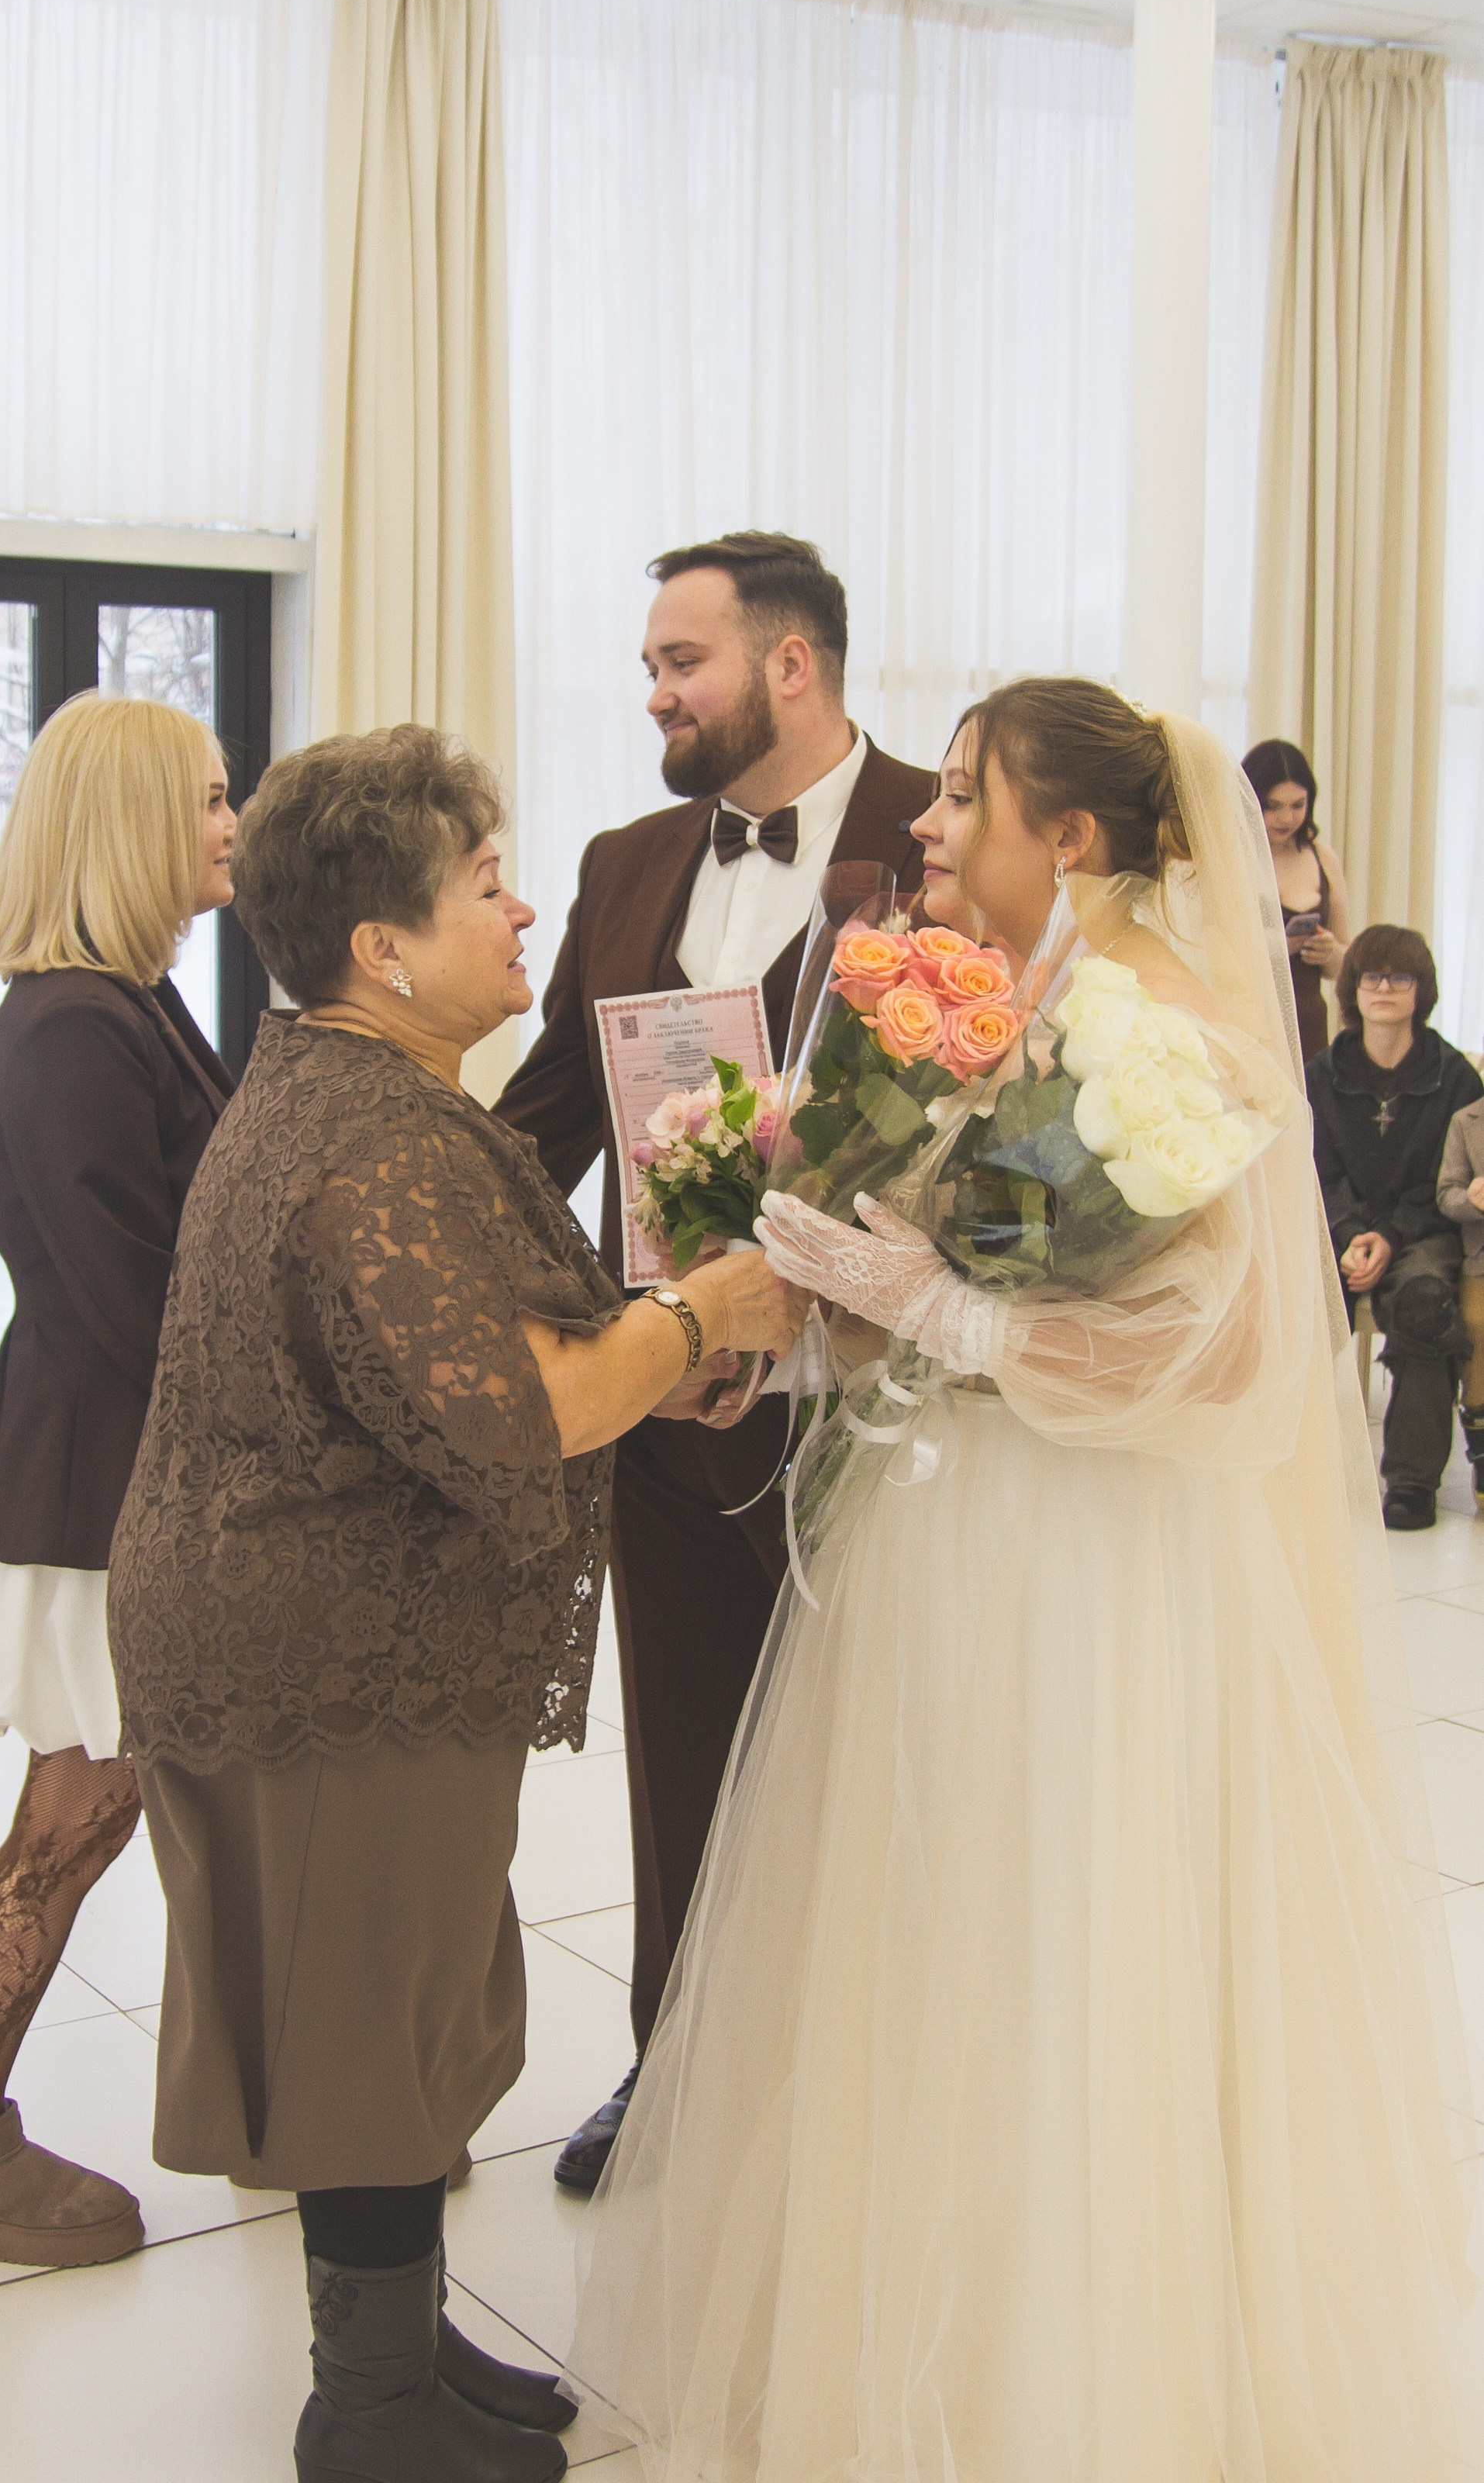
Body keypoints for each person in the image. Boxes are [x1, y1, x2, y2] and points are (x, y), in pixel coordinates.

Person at [566, 683, 1477, 2481]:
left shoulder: (1181, 1039)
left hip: (1093, 1567)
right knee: (934, 1927)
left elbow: (1216, 1364)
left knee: (1070, 1930)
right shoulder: (1002, 1013)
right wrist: (796, 1330)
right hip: (945, 1535)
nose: (929, 825)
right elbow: (947, 1276)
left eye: (965, 797)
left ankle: (1078, 2384)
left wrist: (926, 1303)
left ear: (1068, 837)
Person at [104, 726, 802, 2483]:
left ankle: (401, 2340)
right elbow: (520, 1401)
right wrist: (712, 1313)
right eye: (489, 884)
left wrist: (654, 1343)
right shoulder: (374, 1142)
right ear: (383, 949)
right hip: (319, 1647)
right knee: (365, 2020)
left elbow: (509, 1343)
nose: (527, 911)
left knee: (406, 1999)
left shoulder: (356, 1088)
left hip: (313, 1625)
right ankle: (369, 2406)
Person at [495, 531, 934, 2189]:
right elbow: (539, 1124)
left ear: (790, 664)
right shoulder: (620, 864)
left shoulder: (937, 843)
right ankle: (670, 2067)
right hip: (666, 1408)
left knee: (872, 1765)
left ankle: (859, 2091)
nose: (654, 692)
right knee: (679, 1755)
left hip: (875, 1421)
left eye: (679, 662)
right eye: (648, 666)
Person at [0, 692, 236, 2267]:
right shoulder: (70, 1030)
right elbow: (137, 1306)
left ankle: (279, 2103)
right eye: (213, 798)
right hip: (104, 1493)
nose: (232, 825)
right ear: (135, 824)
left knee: (145, 1819)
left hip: (123, 1477)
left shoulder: (129, 1002)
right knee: (68, 1827)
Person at [1307, 924, 1480, 1532]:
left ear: (1421, 990)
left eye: (1398, 976)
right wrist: (1353, 1231)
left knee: (1426, 1300)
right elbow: (1315, 1170)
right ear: (1350, 988)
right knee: (1288, 1296)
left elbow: (1449, 1181)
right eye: (1371, 975)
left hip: (1421, 1230)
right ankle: (1294, 1468)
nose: (1383, 987)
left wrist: (1389, 1236)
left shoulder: (1456, 1077)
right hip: (1333, 1228)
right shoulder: (1322, 1074)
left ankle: (1409, 1482)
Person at [1242, 736, 1350, 1062]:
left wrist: (1330, 952)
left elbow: (1345, 962)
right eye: (1272, 806)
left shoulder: (1322, 857)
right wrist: (1278, 947)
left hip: (1308, 1018)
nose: (1286, 819)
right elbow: (1210, 952)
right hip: (1249, 1019)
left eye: (1297, 805)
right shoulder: (1233, 859)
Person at [1437, 1085, 1484, 1510]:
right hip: (1482, 1260)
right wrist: (1471, 1200)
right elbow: (1446, 1193)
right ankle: (1482, 1443)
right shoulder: (1466, 1120)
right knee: (1477, 1324)